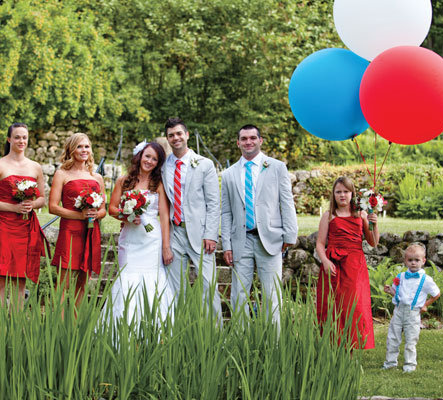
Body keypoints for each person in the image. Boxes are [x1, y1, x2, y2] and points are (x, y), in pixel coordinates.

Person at [221, 124, 298, 326]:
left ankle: (275, 343)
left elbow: (286, 202)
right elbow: (226, 211)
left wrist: (290, 236)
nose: (248, 142)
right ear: (238, 143)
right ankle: (241, 341)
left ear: (260, 140)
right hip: (241, 240)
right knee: (239, 294)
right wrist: (227, 245)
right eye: (244, 138)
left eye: (253, 138)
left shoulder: (277, 167)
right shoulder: (229, 174)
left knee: (272, 293)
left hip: (270, 238)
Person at [0, 123, 47, 323]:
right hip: (3, 226)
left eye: (24, 137)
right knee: (0, 278)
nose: (21, 141)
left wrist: (31, 205)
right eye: (17, 137)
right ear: (9, 139)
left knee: (20, 279)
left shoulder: (35, 167)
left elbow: (42, 198)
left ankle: (16, 329)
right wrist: (13, 208)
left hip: (25, 228)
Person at [162, 117, 222, 322]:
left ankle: (215, 334)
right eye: (171, 135)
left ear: (187, 135)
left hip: (200, 233)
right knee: (176, 287)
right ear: (167, 139)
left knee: (208, 286)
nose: (176, 138)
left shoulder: (204, 164)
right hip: (174, 231)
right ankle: (182, 331)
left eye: (179, 133)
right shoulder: (163, 166)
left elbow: (214, 202)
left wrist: (211, 234)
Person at [107, 141, 174, 325]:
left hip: (152, 241)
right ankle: (124, 325)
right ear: (140, 156)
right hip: (130, 238)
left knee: (152, 280)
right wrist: (126, 217)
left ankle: (153, 326)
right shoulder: (124, 180)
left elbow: (164, 216)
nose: (150, 161)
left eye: (155, 159)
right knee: (128, 278)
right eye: (147, 156)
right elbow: (112, 208)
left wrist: (166, 247)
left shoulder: (158, 183)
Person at [316, 176, 379, 349]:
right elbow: (320, 244)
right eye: (338, 192)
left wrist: (375, 224)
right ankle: (332, 344)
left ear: (353, 194)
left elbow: (373, 242)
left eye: (346, 191)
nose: (342, 195)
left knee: (353, 303)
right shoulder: (329, 216)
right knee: (333, 304)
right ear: (333, 194)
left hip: (355, 265)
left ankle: (353, 344)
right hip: (334, 264)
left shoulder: (361, 214)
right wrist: (326, 261)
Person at [49, 133, 106, 307]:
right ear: (71, 149)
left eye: (87, 146)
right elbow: (53, 207)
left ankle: (75, 325)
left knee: (83, 283)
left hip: (90, 232)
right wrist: (79, 215)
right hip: (70, 232)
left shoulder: (97, 178)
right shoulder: (62, 174)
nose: (84, 150)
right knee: (63, 283)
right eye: (80, 146)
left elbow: (103, 209)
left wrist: (97, 214)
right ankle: (57, 325)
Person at [383, 244, 440, 372]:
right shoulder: (401, 277)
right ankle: (390, 363)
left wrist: (425, 304)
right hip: (398, 310)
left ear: (423, 261)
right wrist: (390, 291)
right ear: (405, 261)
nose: (413, 263)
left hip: (413, 312)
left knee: (411, 339)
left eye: (417, 260)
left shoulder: (426, 280)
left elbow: (436, 294)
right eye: (410, 260)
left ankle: (409, 365)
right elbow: (398, 293)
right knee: (393, 337)